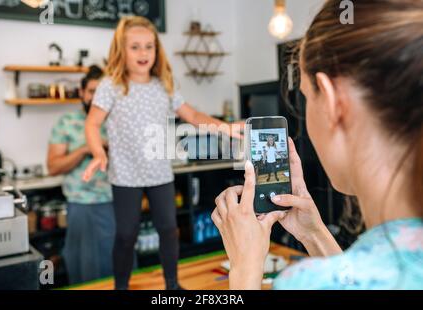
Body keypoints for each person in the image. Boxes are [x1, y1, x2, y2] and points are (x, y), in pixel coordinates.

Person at [212, 0, 422, 289]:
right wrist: (313, 233)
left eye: (308, 97)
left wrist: (245, 269)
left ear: (333, 102)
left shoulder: (305, 282)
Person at [82, 16, 243, 290]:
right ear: (121, 50)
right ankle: (121, 287)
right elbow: (93, 123)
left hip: (159, 171)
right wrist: (99, 153)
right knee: (126, 234)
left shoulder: (164, 84)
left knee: (169, 229)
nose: (143, 53)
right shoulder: (111, 85)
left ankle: (172, 285)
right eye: (135, 47)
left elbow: (191, 114)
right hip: (125, 174)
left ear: (157, 50)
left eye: (149, 46)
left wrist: (224, 127)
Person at [47, 65, 115, 285]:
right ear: (81, 93)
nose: (96, 97)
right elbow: (53, 167)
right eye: (92, 91)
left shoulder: (117, 123)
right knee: (86, 270)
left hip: (117, 204)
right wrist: (86, 149)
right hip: (82, 206)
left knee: (118, 266)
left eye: (102, 92)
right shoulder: (66, 123)